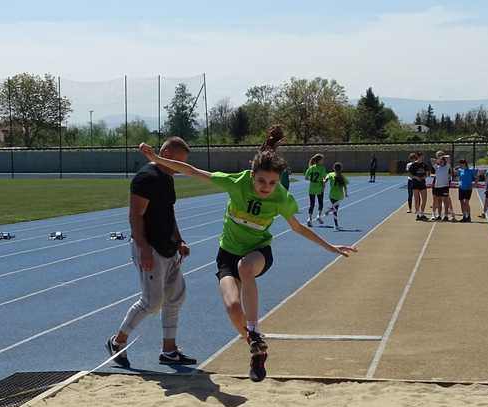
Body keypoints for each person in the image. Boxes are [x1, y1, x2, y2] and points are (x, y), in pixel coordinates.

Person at [138, 126, 357, 382]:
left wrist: (330, 246)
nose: (267, 187)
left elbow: (298, 228)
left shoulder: (281, 198)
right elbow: (193, 171)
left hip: (258, 252)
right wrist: (156, 159)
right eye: (262, 181)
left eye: (273, 183)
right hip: (226, 254)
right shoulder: (237, 183)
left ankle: (254, 330)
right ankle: (255, 348)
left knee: (245, 267)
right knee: (232, 308)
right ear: (252, 176)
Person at [105, 137, 196, 369]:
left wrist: (179, 239)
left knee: (175, 297)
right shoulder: (146, 178)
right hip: (151, 247)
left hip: (169, 247)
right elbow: (135, 215)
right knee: (152, 302)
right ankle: (118, 341)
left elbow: (169, 212)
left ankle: (169, 350)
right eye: (178, 163)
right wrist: (144, 249)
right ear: (165, 153)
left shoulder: (167, 178)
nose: (180, 169)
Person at [324, 162, 349, 230]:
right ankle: (336, 224)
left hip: (332, 195)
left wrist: (323, 182)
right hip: (339, 196)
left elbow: (325, 180)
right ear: (341, 169)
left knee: (335, 209)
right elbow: (345, 186)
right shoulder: (342, 177)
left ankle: (330, 211)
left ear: (333, 168)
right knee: (335, 210)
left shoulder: (330, 174)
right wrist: (346, 193)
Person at [305, 154, 327, 227]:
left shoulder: (311, 168)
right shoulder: (322, 168)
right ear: (319, 161)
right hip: (319, 188)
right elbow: (325, 178)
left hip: (311, 188)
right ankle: (318, 216)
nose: (323, 161)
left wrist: (312, 180)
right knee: (320, 203)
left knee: (312, 204)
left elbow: (306, 177)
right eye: (322, 160)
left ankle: (309, 219)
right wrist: (323, 183)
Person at [408, 153, 430, 221]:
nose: (422, 157)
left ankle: (422, 213)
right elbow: (410, 174)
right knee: (416, 199)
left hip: (422, 183)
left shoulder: (424, 164)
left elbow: (427, 173)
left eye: (423, 156)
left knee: (424, 199)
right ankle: (418, 214)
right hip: (415, 183)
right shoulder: (413, 165)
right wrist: (416, 177)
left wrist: (424, 177)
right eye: (421, 156)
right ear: (418, 157)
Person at [431, 152, 452, 221]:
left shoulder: (447, 166)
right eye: (440, 161)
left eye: (442, 160)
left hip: (445, 186)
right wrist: (438, 159)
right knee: (439, 201)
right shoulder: (437, 167)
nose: (441, 161)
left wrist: (443, 156)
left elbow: (448, 157)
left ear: (444, 161)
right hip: (437, 187)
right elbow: (431, 160)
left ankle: (445, 215)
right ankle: (439, 215)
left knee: (445, 201)